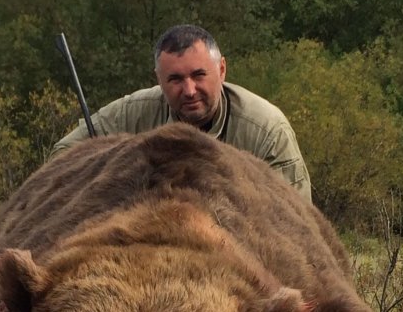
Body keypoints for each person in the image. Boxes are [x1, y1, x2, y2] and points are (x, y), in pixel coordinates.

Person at [51, 24, 312, 201]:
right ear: (158, 79)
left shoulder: (267, 130)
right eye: (175, 79)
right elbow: (63, 156)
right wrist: (114, 177)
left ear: (221, 70)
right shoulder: (132, 112)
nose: (188, 90)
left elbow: (294, 218)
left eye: (199, 75)